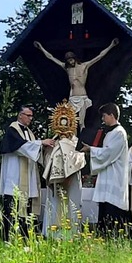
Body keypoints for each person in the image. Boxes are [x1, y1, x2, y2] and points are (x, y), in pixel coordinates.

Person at [33, 38, 120, 129]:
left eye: (71, 60)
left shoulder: (84, 66)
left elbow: (99, 56)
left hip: (82, 96)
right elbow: (51, 58)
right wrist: (41, 48)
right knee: (70, 121)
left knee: (81, 122)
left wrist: (111, 45)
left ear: (74, 59)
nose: (70, 62)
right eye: (69, 61)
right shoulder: (67, 68)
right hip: (72, 97)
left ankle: (81, 136)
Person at [0, 106, 55, 241]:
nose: (30, 118)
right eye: (28, 115)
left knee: (27, 208)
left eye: (31, 116)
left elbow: (32, 149)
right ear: (20, 115)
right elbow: (21, 147)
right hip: (14, 176)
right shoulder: (12, 130)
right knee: (12, 207)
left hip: (27, 179)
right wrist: (41, 142)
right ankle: (9, 237)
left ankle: (25, 236)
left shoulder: (29, 132)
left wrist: (44, 147)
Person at [81, 102, 129, 234]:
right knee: (104, 207)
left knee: (112, 209)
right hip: (108, 175)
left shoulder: (119, 133)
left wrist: (91, 149)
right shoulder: (110, 133)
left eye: (104, 116)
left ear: (112, 115)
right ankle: (103, 234)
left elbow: (109, 153)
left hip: (115, 177)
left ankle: (112, 235)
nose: (103, 119)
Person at [42, 101, 86, 238]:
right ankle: (53, 235)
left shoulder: (76, 142)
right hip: (55, 181)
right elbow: (46, 158)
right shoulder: (52, 142)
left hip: (72, 180)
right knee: (55, 204)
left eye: (67, 122)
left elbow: (80, 157)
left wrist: (70, 168)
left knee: (72, 204)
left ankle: (71, 235)